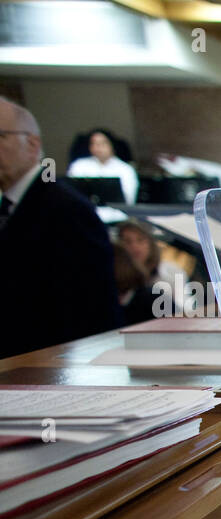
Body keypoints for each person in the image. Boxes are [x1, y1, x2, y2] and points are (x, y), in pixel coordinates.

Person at [0, 98, 122, 358]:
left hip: (51, 368)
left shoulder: (65, 208)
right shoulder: (9, 205)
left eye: (0, 136)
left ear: (32, 144)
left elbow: (91, 307)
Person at [67, 129, 138, 204]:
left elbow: (128, 200)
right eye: (94, 143)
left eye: (103, 143)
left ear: (111, 145)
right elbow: (72, 194)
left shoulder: (125, 169)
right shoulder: (79, 165)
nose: (98, 147)